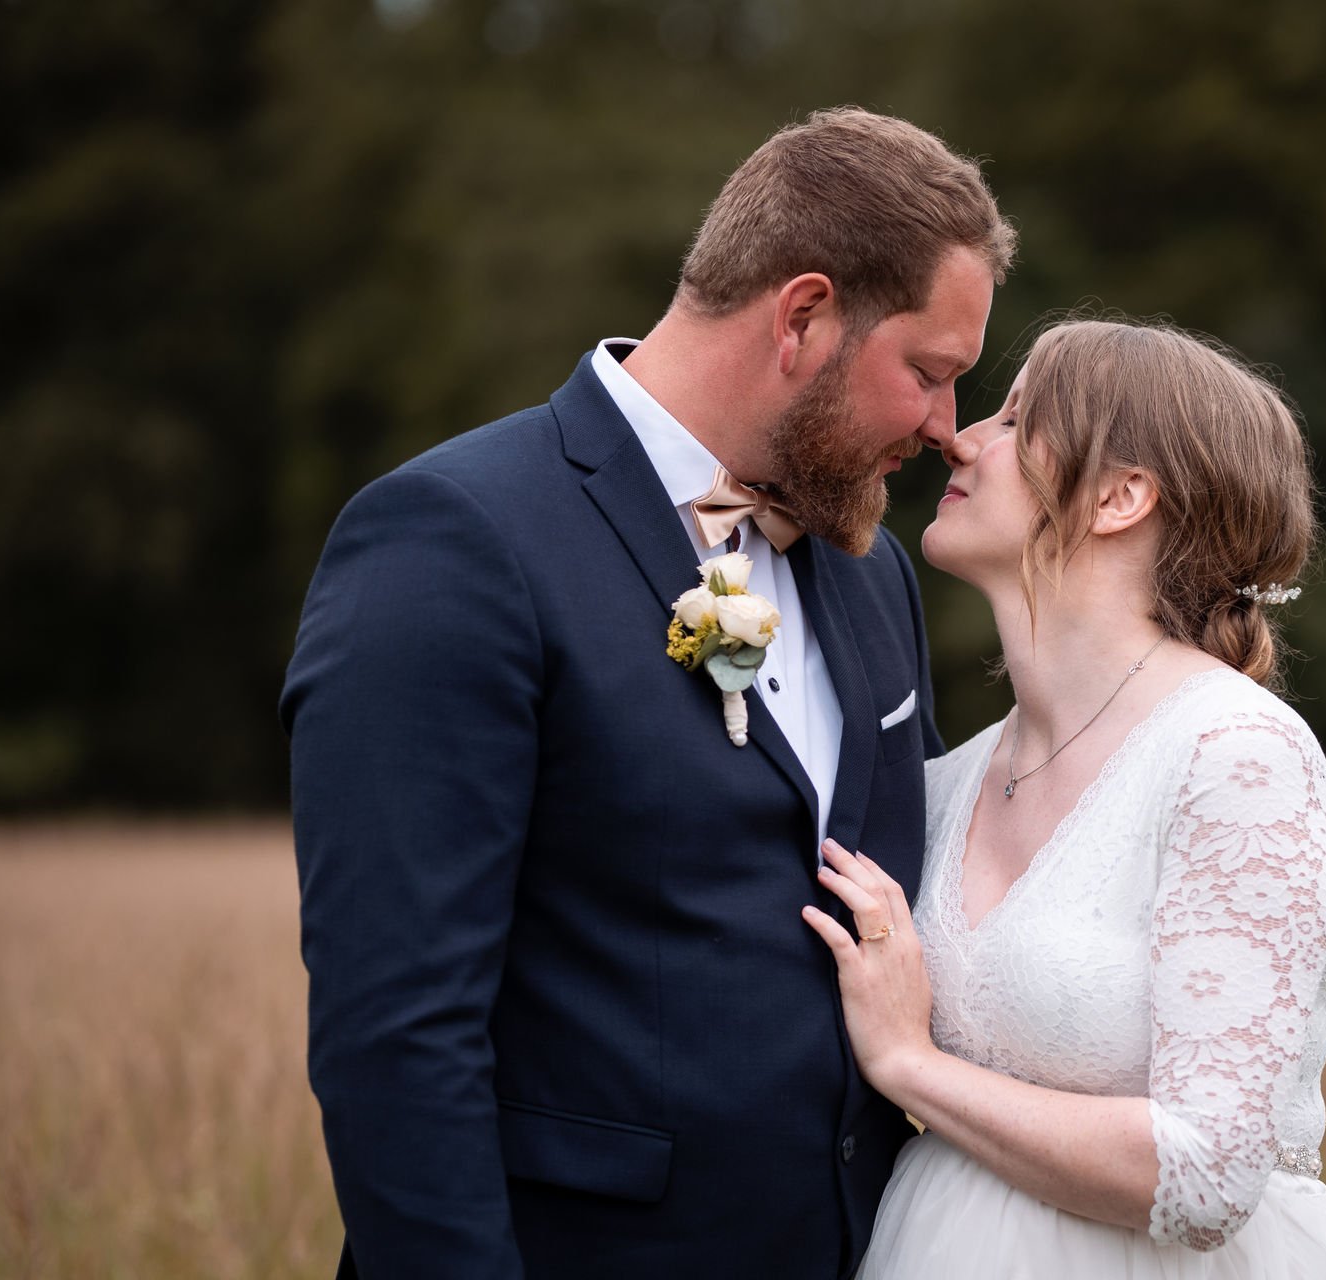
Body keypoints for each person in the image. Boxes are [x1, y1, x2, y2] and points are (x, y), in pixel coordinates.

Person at [280, 107, 1014, 1279]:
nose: (946, 428)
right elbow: (398, 1037)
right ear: (805, 317)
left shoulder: (871, 572)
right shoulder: (453, 541)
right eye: (928, 374)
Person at [803, 319, 1326, 1278]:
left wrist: (913, 1067)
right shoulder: (946, 784)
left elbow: (1208, 1175)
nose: (961, 437)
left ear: (1120, 496)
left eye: (1015, 419)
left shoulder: (1236, 759)